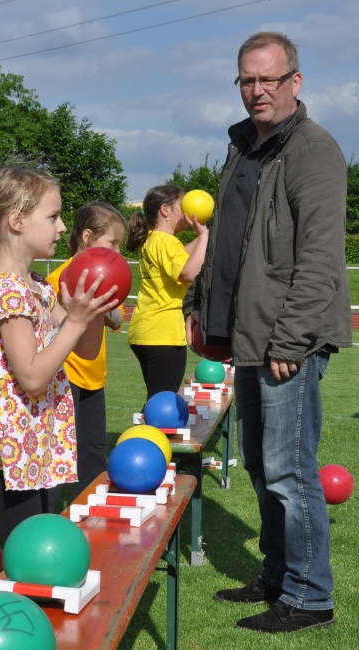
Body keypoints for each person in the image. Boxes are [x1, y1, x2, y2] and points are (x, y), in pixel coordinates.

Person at [184, 32, 352, 633]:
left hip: (287, 342)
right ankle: (279, 573)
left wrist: (291, 339)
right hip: (246, 335)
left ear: (294, 83)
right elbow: (228, 244)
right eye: (247, 80)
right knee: (258, 462)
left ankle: (310, 598)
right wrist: (200, 305)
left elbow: (319, 260)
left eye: (269, 79)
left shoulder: (314, 152)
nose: (257, 90)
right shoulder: (242, 147)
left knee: (289, 469)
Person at [0, 168, 118, 547]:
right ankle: (14, 605)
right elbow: (31, 376)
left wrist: (89, 311)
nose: (63, 227)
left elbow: (84, 349)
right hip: (9, 451)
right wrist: (75, 321)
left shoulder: (36, 287)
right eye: (53, 216)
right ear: (16, 221)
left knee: (40, 548)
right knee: (30, 554)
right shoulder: (7, 292)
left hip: (37, 442)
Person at [46, 202, 127, 498]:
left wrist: (109, 297)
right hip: (67, 378)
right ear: (88, 237)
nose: (118, 253)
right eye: (112, 243)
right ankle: (48, 515)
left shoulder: (104, 277)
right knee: (60, 452)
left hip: (94, 377)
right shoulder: (62, 278)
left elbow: (116, 320)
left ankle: (92, 511)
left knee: (93, 449)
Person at [127, 184, 208, 402]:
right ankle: (146, 436)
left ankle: (147, 435)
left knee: (157, 398)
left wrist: (205, 237)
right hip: (163, 334)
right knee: (163, 402)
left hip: (144, 331)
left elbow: (184, 254)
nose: (189, 211)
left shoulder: (153, 239)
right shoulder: (167, 242)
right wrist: (204, 234)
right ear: (165, 210)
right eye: (183, 206)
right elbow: (189, 273)